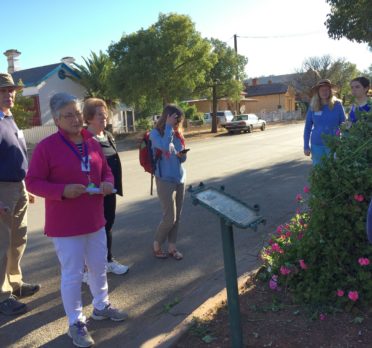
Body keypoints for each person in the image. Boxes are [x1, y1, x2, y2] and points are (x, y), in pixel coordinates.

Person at [25, 93, 127, 348]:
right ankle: (76, 322)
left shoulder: (91, 142)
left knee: (99, 266)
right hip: (66, 224)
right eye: (68, 115)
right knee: (72, 274)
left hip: (95, 219)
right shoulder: (46, 147)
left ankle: (101, 306)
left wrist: (107, 184)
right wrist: (61, 191)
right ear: (57, 120)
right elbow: (33, 182)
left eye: (78, 113)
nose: (75, 118)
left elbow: (105, 170)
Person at [0, 73, 40, 316]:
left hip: (18, 186)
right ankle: (3, 295)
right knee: (2, 245)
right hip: (2, 190)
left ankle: (15, 282)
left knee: (18, 239)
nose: (9, 94)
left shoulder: (9, 119)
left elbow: (17, 154)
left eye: (11, 90)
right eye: (3, 91)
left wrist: (26, 186)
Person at [83, 98, 129, 276]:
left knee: (107, 226)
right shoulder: (83, 138)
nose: (104, 117)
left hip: (110, 190)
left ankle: (108, 260)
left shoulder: (108, 136)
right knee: (91, 230)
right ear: (89, 117)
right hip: (94, 193)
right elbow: (83, 168)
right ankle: (87, 270)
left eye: (105, 114)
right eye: (100, 115)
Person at [150, 104, 188, 260]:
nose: (177, 122)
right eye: (175, 118)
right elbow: (165, 147)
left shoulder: (178, 134)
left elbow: (182, 158)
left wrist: (182, 155)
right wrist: (168, 127)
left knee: (177, 217)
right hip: (164, 180)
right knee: (169, 218)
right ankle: (157, 244)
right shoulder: (155, 134)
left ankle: (172, 247)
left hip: (179, 178)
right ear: (168, 117)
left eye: (179, 119)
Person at [303, 79, 346, 166]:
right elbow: (307, 128)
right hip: (317, 145)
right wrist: (306, 146)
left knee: (334, 170)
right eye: (322, 90)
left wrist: (339, 137)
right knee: (319, 172)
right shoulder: (312, 106)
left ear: (330, 91)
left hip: (334, 144)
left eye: (327, 89)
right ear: (318, 92)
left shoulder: (337, 105)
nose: (324, 92)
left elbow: (344, 125)